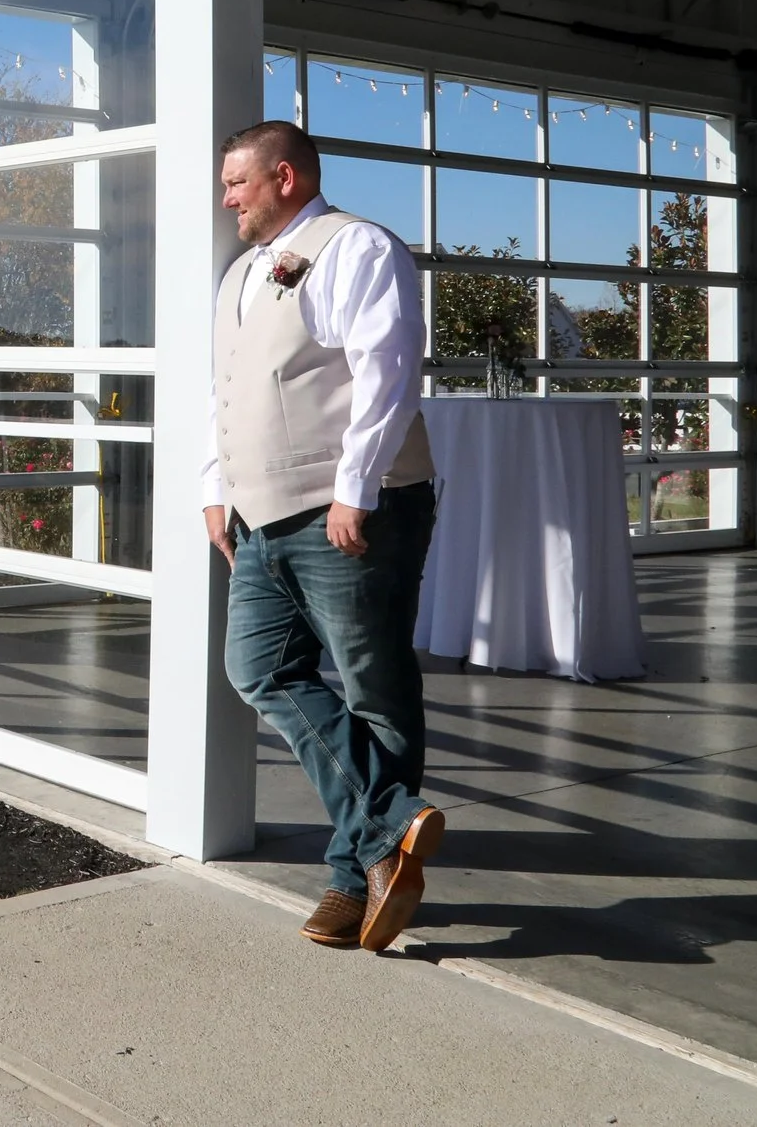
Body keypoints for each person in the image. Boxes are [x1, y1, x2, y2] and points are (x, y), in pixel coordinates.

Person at [204, 121, 445, 952]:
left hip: (352, 510)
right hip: (258, 516)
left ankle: (355, 875)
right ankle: (392, 824)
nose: (226, 199)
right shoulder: (241, 272)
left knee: (375, 687)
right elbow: (223, 388)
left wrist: (356, 488)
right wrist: (215, 488)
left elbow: (388, 370)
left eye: (237, 182)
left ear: (285, 176)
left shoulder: (358, 248)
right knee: (258, 667)